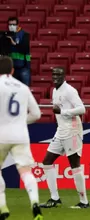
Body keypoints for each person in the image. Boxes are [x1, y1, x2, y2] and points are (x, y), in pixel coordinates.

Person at [39, 67, 90, 209]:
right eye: (54, 74)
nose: (55, 77)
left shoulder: (70, 90)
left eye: (58, 74)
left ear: (64, 76)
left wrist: (63, 111)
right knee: (47, 162)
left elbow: (82, 109)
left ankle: (84, 201)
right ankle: (55, 199)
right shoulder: (54, 91)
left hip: (72, 130)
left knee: (75, 164)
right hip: (60, 130)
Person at [0, 56, 42, 220]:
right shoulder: (23, 87)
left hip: (1, 134)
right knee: (26, 171)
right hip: (20, 134)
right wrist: (19, 122)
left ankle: (3, 208)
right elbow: (37, 114)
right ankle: (35, 203)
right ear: (12, 70)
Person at [7, 17, 31, 86]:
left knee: (25, 89)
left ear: (18, 25)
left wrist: (14, 44)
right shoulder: (6, 35)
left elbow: (25, 49)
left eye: (14, 24)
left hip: (23, 67)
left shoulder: (25, 35)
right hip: (11, 68)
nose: (11, 26)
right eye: (10, 24)